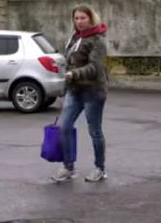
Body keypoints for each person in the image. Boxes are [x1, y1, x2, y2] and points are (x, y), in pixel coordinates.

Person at [53, 5, 109, 183]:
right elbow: (71, 62)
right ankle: (68, 167)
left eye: (83, 18)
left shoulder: (97, 40)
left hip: (93, 91)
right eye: (76, 18)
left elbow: (95, 67)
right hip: (75, 90)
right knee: (64, 127)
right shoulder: (75, 38)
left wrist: (74, 73)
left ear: (91, 19)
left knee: (95, 131)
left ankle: (99, 168)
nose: (79, 22)